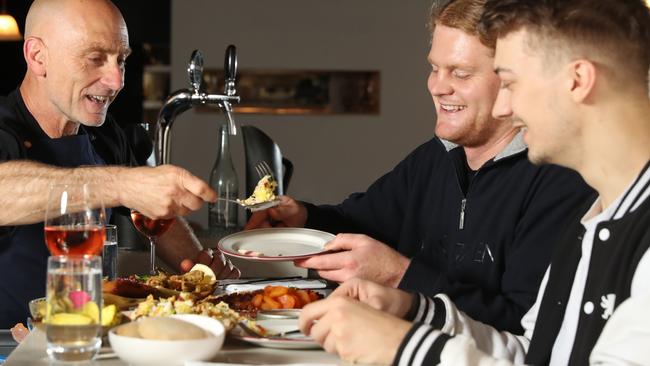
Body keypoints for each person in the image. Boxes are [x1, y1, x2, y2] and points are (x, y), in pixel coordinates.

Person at [298, 0, 650, 364]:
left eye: (511, 82)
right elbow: (534, 356)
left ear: (577, 81)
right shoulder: (594, 221)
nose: (503, 108)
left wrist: (405, 347)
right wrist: (418, 311)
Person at [246, 0, 593, 333]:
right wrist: (304, 219)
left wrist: (400, 277)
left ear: (511, 80)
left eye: (460, 73)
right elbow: (360, 223)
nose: (437, 87)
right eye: (434, 68)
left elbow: (524, 330)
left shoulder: (562, 181)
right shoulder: (435, 158)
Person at [0, 0, 239, 329]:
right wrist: (120, 185)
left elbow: (156, 217)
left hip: (88, 331)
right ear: (38, 57)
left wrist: (197, 266)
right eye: (95, 58)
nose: (116, 81)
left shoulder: (106, 135)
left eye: (121, 61)